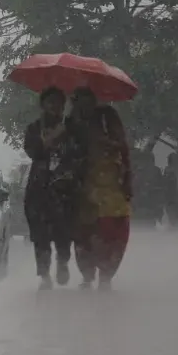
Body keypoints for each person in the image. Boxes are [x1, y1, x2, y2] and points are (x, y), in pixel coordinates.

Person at [68, 87, 133, 290]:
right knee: (83, 235)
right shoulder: (71, 123)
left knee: (112, 233)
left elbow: (122, 146)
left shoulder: (107, 117)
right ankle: (87, 275)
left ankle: (106, 275)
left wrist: (103, 141)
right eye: (79, 101)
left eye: (88, 100)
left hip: (111, 187)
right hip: (82, 187)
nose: (84, 106)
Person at [22, 87, 85, 289]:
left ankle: (62, 262)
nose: (55, 107)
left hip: (65, 189)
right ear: (43, 105)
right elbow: (33, 151)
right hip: (39, 189)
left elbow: (80, 152)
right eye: (50, 102)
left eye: (59, 103)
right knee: (40, 235)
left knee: (64, 232)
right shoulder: (33, 128)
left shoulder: (72, 128)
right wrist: (49, 139)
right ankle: (44, 275)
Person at [163, 152, 178, 227]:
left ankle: (175, 225)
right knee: (170, 211)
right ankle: (173, 225)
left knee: (176, 211)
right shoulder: (167, 169)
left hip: (175, 195)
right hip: (169, 194)